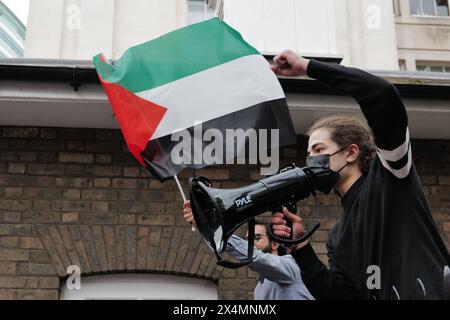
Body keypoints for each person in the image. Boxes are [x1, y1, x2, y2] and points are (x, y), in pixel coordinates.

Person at [270, 50, 450, 300]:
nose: (311, 159)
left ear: (351, 152)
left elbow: (382, 95)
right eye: (309, 152)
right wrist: (300, 247)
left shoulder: (391, 176)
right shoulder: (338, 236)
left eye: (319, 149)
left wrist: (308, 68)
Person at [183, 201, 314, 300]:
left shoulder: (290, 265)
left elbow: (257, 257)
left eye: (256, 238)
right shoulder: (259, 287)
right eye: (246, 240)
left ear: (274, 244)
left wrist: (210, 225)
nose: (249, 244)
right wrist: (204, 226)